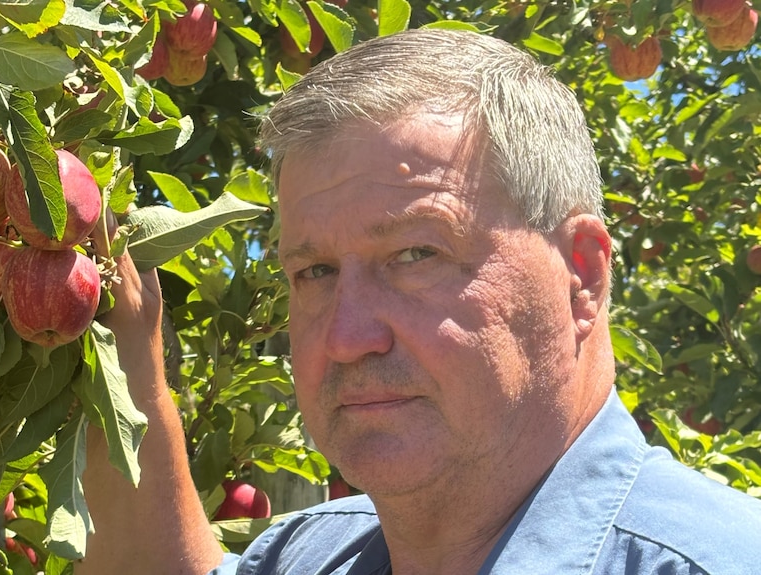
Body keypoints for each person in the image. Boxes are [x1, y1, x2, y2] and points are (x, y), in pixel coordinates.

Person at [79, 28, 761, 575]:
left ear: (580, 275)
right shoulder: (312, 555)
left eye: (415, 255)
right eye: (313, 270)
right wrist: (123, 354)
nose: (347, 336)